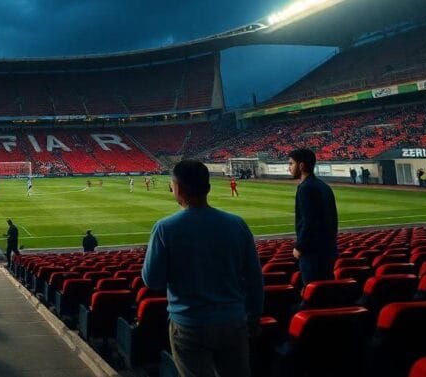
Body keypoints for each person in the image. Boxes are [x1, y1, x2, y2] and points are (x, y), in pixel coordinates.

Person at [142, 160, 263, 377]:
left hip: (189, 323)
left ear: (177, 188)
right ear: (207, 187)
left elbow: (153, 281)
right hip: (233, 321)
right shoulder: (237, 224)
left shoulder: (165, 228)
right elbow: (254, 276)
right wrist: (254, 315)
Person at [290, 148, 339, 287]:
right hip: (328, 249)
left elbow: (309, 221)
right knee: (326, 287)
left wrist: (300, 246)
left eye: (291, 163)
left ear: (301, 165)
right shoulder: (324, 186)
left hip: (313, 252)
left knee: (315, 288)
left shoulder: (306, 188)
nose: (289, 167)